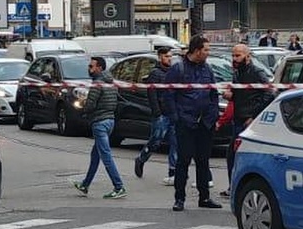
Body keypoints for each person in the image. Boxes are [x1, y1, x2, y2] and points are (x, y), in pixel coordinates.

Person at [163, 35, 222, 212]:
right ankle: (179, 198)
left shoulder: (207, 69)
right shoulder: (178, 69)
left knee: (203, 161)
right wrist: (177, 118)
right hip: (186, 123)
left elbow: (213, 94)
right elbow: (168, 95)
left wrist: (212, 117)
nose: (208, 53)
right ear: (196, 51)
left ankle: (204, 197)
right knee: (183, 161)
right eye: (206, 50)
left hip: (204, 123)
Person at [223, 44, 275, 196]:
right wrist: (230, 95)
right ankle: (233, 186)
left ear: (247, 56)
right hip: (238, 119)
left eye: (238, 55)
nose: (235, 58)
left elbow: (269, 94)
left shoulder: (257, 72)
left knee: (243, 155)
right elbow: (241, 94)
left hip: (249, 121)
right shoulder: (237, 72)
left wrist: (254, 116)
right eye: (233, 55)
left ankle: (241, 188)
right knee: (232, 154)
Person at [74, 56, 126, 199]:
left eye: (92, 66)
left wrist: (82, 108)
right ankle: (85, 184)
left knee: (106, 156)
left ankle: (119, 186)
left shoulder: (97, 83)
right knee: (95, 156)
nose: (89, 69)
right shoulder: (111, 82)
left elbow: (91, 104)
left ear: (100, 68)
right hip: (110, 120)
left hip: (100, 122)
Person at [133, 47, 177, 185]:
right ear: (160, 58)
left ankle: (173, 171)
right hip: (161, 114)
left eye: (170, 56)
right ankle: (141, 159)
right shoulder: (155, 74)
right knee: (156, 140)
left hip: (173, 113)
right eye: (166, 56)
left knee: (175, 143)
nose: (169, 59)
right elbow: (152, 95)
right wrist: (157, 112)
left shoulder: (173, 72)